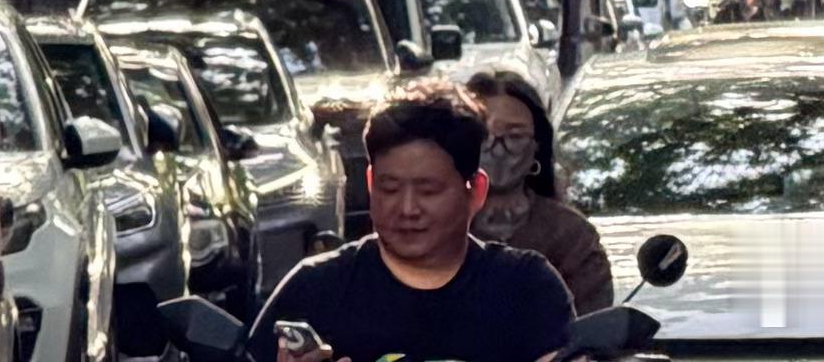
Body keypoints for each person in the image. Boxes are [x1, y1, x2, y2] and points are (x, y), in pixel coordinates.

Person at [247, 83, 572, 362]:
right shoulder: (313, 291)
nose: (407, 208)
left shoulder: (526, 289)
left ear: (475, 192)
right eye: (389, 188)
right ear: (371, 183)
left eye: (428, 190)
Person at [463, 75, 612, 319]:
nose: (497, 149)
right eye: (482, 135)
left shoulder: (571, 235)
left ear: (536, 147)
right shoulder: (426, 225)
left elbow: (589, 329)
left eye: (514, 136)